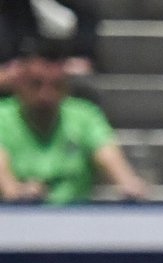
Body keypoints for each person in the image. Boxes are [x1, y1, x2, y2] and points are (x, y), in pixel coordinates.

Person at [0, 40, 146, 203]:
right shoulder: (2, 118)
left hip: (79, 222)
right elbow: (7, 184)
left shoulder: (85, 116)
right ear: (19, 83)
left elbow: (112, 160)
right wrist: (19, 192)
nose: (46, 95)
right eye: (36, 84)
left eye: (56, 85)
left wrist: (128, 184)